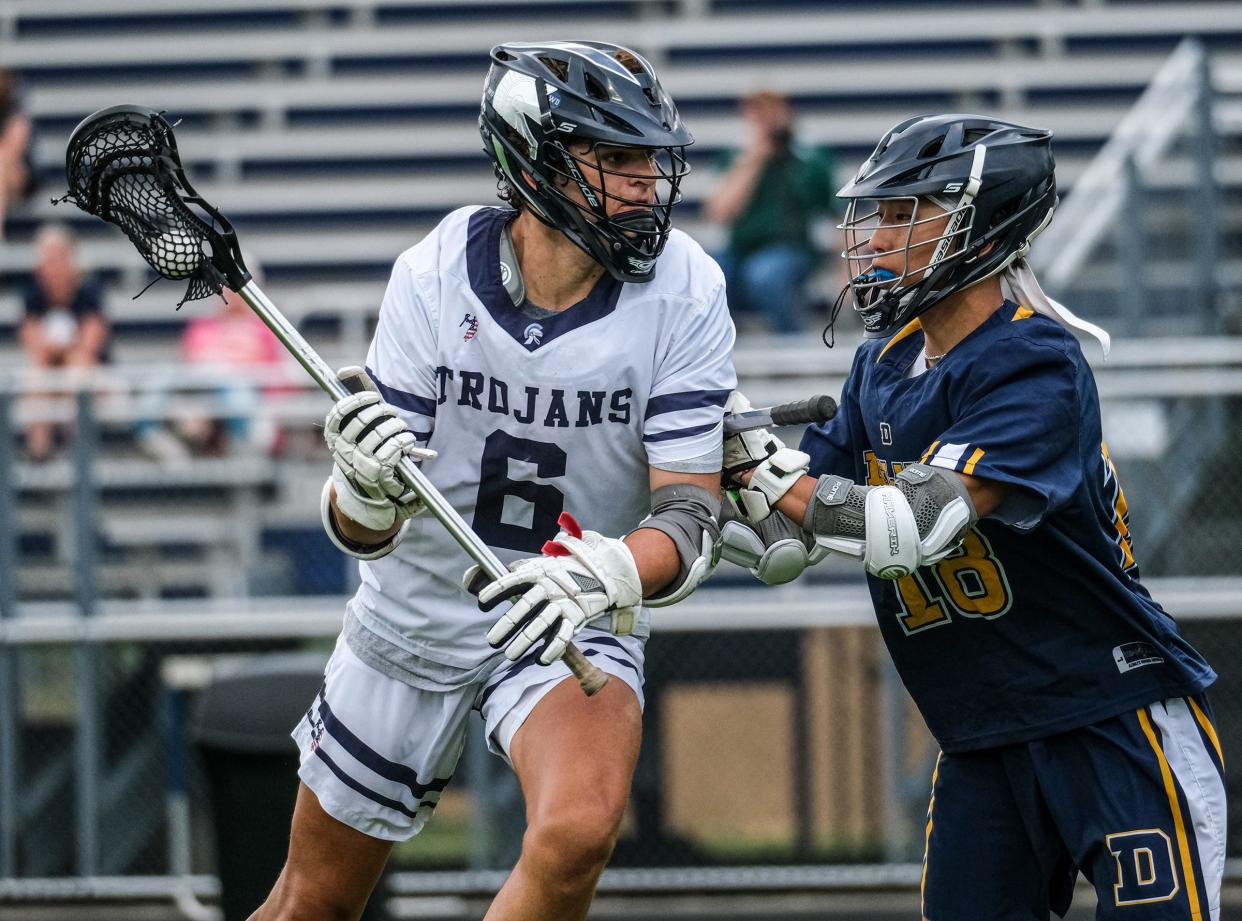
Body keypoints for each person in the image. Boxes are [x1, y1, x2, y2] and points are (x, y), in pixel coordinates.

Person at [249, 42, 734, 921]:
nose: (642, 182)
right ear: (534, 160)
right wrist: (362, 490)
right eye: (614, 158)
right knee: (310, 902)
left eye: (648, 160)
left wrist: (605, 574)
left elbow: (690, 509)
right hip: (418, 607)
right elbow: (364, 531)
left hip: (567, 608)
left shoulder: (686, 288)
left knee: (578, 832)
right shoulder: (433, 274)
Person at [718, 114, 1224, 919]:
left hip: (1108, 717)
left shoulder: (1033, 361)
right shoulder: (882, 363)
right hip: (982, 732)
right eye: (877, 215)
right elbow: (786, 537)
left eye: (903, 213)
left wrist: (761, 465)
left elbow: (907, 527)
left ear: (983, 225)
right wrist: (690, 483)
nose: (876, 237)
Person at [703, 89, 837, 334]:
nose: (764, 118)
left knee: (765, 274)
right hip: (741, 250)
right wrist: (754, 160)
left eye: (771, 109)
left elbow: (835, 212)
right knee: (712, 274)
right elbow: (719, 211)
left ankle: (792, 344)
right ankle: (727, 343)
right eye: (756, 111)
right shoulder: (735, 158)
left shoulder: (809, 159)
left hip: (793, 248)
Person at [135, 262, 286, 463]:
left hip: (247, 402)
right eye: (226, 285)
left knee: (235, 389)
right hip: (200, 396)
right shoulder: (201, 326)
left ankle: (242, 449)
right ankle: (155, 439)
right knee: (158, 380)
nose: (232, 293)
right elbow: (189, 365)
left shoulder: (265, 329)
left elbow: (274, 378)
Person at [19, 223, 109, 460]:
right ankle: (39, 452)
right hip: (52, 371)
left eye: (58, 258)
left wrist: (59, 348)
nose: (53, 266)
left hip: (95, 376)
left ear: (71, 259)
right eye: (48, 259)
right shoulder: (33, 294)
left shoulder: (89, 291)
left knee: (77, 368)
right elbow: (34, 345)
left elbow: (90, 345)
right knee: (38, 374)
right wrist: (60, 347)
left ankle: (78, 451)